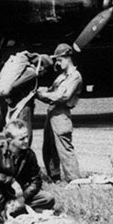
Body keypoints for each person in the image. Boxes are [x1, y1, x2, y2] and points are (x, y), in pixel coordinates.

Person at [0, 120, 56, 224]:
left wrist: (23, 198)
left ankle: (15, 210)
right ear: (10, 140)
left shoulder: (29, 154)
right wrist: (11, 181)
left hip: (20, 194)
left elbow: (36, 181)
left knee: (48, 198)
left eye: (27, 137)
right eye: (22, 139)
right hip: (1, 193)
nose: (26, 141)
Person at [35, 43, 84, 182]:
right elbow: (52, 91)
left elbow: (62, 96)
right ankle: (54, 177)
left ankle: (74, 180)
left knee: (65, 149)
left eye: (59, 59)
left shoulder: (75, 76)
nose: (57, 62)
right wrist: (42, 91)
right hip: (52, 112)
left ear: (68, 57)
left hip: (61, 114)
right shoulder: (62, 76)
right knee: (49, 148)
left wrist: (40, 94)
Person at [0, 51, 52, 147]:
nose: (44, 72)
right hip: (24, 108)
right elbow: (15, 85)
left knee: (16, 133)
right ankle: (24, 154)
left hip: (16, 105)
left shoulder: (26, 71)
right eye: (45, 69)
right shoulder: (31, 73)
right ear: (40, 66)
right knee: (25, 134)